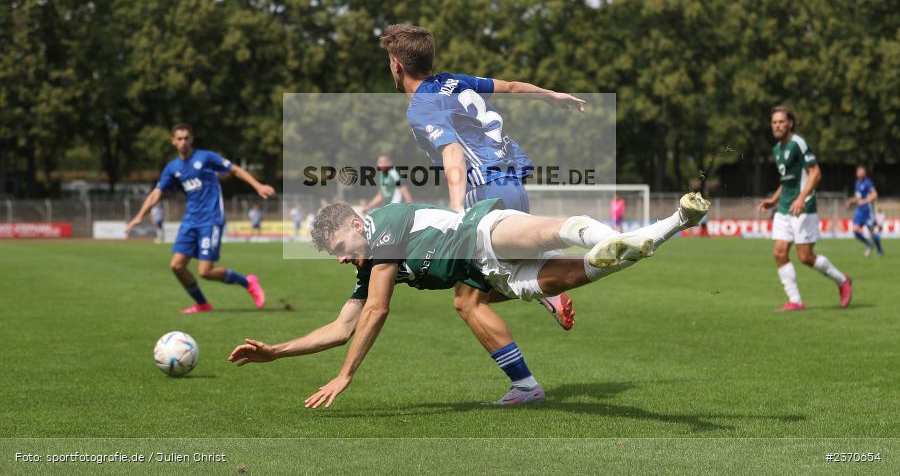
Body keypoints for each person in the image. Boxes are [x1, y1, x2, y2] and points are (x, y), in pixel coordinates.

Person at [228, 192, 710, 408]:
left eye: (338, 250)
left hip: (482, 231)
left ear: (356, 226)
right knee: (593, 267)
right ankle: (674, 224)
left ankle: (608, 234)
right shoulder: (370, 265)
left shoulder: (385, 227)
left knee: (557, 229)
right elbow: (341, 327)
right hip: (492, 276)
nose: (339, 260)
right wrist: (275, 351)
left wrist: (345, 375)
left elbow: (376, 311)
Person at [379, 23, 583, 338]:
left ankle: (527, 382)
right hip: (513, 185)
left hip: (483, 193)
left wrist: (458, 210)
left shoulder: (421, 106)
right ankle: (550, 281)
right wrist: (550, 96)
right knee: (475, 292)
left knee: (469, 300)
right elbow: (513, 87)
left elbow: (453, 153)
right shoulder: (454, 81)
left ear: (397, 65)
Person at [126, 123, 274, 313]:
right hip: (190, 221)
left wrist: (258, 186)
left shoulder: (206, 157)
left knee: (205, 272)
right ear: (173, 141)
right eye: (179, 139)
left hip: (211, 220)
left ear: (192, 140)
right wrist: (139, 216)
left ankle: (248, 282)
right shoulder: (172, 168)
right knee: (177, 266)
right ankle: (202, 304)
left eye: (186, 138)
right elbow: (156, 193)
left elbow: (235, 169)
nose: (183, 142)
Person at [757, 106, 852, 311]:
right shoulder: (777, 149)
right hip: (784, 208)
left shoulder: (798, 143)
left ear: (790, 123)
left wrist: (801, 197)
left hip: (804, 207)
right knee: (779, 252)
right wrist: (774, 200)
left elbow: (815, 172)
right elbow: (787, 181)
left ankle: (843, 280)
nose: (777, 125)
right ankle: (795, 300)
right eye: (774, 122)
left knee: (805, 257)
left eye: (781, 121)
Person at [847, 165, 884, 257]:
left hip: (868, 211)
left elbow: (875, 195)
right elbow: (858, 197)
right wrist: (851, 201)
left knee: (872, 231)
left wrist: (865, 201)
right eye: (858, 171)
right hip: (859, 211)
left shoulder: (868, 183)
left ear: (864, 173)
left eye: (861, 172)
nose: (859, 173)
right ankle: (869, 244)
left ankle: (879, 250)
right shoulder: (857, 183)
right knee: (855, 231)